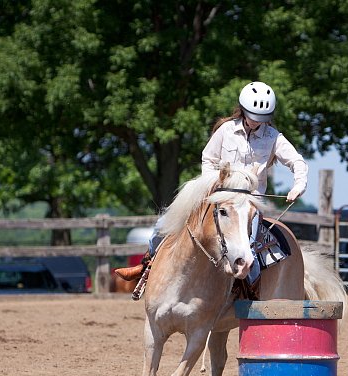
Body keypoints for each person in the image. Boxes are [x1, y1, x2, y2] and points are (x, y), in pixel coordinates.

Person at [115, 81, 309, 282]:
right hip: (219, 196)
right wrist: (211, 183)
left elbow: (297, 161)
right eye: (252, 116)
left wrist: (299, 185)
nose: (256, 122)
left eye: (261, 118)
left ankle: (249, 292)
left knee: (248, 246)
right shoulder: (226, 130)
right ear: (243, 110)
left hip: (247, 205)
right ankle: (148, 264)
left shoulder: (274, 138)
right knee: (164, 222)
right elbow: (208, 158)